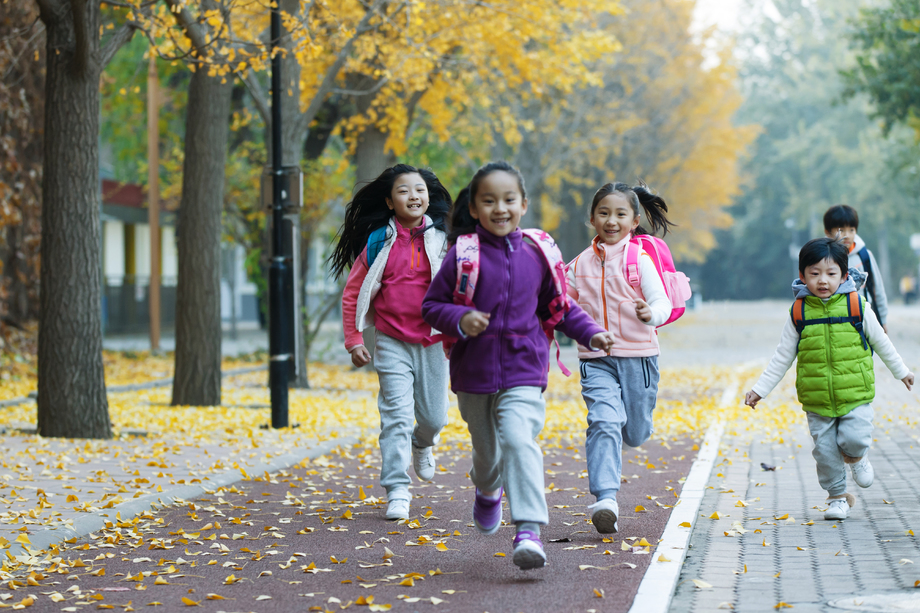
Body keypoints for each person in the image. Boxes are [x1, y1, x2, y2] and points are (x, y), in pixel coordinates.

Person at [421, 161, 615, 570]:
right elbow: (432, 306)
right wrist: (461, 319)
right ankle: (488, 490)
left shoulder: (536, 253)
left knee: (519, 439)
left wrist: (591, 333)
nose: (500, 208)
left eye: (508, 199)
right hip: (473, 375)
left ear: (523, 204)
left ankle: (528, 528)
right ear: (474, 209)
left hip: (525, 370)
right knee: (487, 454)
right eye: (488, 201)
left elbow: (559, 306)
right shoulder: (463, 255)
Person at [744, 238, 914, 521]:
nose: (823, 280)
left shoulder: (856, 305)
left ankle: (857, 457)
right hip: (817, 398)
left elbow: (881, 342)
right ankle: (837, 498)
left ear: (844, 275)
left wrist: (902, 372)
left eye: (831, 273)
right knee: (824, 452)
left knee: (855, 438)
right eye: (814, 273)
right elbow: (782, 356)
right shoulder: (799, 312)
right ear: (802, 275)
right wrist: (759, 390)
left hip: (855, 393)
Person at [329, 164, 452, 521]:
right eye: (404, 191)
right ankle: (397, 488)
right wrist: (354, 340)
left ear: (429, 197)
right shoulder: (379, 242)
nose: (414, 196)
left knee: (434, 417)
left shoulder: (444, 239)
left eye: (419, 190)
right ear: (389, 200)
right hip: (391, 341)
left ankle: (423, 442)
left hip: (434, 342)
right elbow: (353, 293)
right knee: (395, 418)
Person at [566, 182, 675, 535]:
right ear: (592, 218)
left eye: (620, 214)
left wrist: (651, 314)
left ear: (634, 220)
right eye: (603, 213)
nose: (611, 221)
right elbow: (557, 302)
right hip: (596, 357)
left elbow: (662, 302)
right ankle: (605, 499)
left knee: (636, 432)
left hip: (639, 358)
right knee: (603, 421)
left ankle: (634, 430)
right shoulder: (579, 263)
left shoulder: (638, 259)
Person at [823, 204, 889, 332]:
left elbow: (877, 289)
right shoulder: (822, 258)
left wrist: (883, 320)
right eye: (841, 230)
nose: (847, 235)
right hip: (834, 322)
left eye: (851, 230)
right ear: (827, 232)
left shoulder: (865, 256)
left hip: (863, 319)